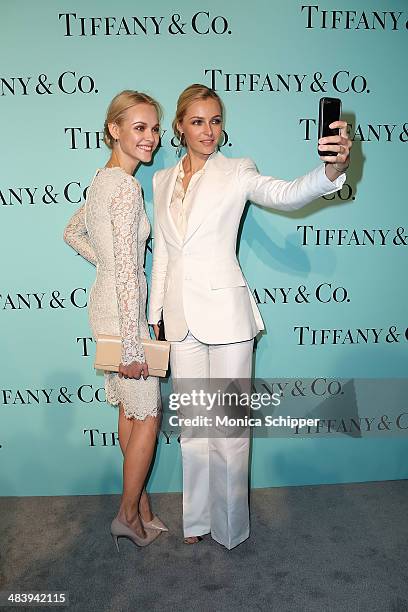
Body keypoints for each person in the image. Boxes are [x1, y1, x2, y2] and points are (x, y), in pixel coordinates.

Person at [148, 84, 351, 549]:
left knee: (231, 427)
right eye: (197, 121)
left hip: (227, 316)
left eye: (216, 121)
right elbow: (163, 253)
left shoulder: (238, 171)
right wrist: (156, 311)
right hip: (180, 319)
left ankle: (230, 526)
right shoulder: (160, 181)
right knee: (194, 426)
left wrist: (331, 170)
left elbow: (288, 194)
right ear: (180, 126)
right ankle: (197, 521)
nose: (208, 131)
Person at [64, 90, 167, 549]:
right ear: (115, 130)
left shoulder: (101, 179)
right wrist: (133, 346)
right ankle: (127, 514)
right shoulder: (125, 188)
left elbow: (72, 233)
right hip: (125, 313)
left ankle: (140, 507)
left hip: (104, 302)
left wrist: (104, 262)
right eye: (140, 128)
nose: (151, 138)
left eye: (155, 128)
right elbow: (128, 270)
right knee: (147, 414)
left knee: (130, 409)